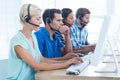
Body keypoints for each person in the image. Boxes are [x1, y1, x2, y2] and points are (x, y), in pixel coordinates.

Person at [6, 4, 82, 80]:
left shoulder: (33, 37)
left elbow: (42, 60)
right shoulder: (18, 41)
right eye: (38, 19)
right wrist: (65, 64)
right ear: (27, 19)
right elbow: (36, 65)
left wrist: (67, 61)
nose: (41, 22)